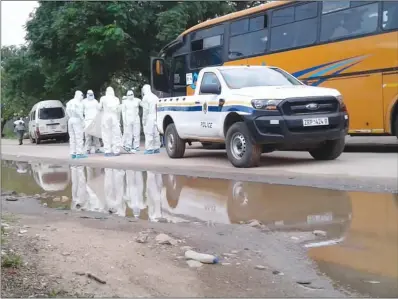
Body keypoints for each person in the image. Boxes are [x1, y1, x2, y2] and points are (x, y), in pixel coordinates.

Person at [98, 86, 122, 157]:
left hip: (106, 116)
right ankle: (116, 151)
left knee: (106, 134)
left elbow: (99, 108)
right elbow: (118, 111)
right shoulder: (116, 99)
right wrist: (118, 120)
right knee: (116, 134)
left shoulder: (103, 98)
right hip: (114, 117)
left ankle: (107, 150)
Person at [65, 90, 87, 159]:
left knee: (72, 137)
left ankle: (73, 153)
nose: (82, 97)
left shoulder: (70, 102)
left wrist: (70, 117)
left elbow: (67, 111)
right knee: (79, 136)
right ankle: (79, 153)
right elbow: (79, 113)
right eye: (81, 95)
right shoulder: (78, 103)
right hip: (77, 120)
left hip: (70, 120)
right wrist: (83, 120)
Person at [141, 84, 160, 154]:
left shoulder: (145, 98)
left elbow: (145, 110)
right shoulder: (155, 97)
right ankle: (156, 147)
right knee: (156, 133)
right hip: (156, 116)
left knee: (149, 133)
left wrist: (144, 120)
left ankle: (149, 148)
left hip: (149, 116)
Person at [82, 90, 102, 154]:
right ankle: (88, 149)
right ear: (87, 94)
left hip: (95, 120)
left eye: (92, 94)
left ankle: (97, 149)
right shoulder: (84, 102)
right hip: (87, 120)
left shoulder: (95, 101)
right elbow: (81, 111)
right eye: (89, 94)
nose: (91, 96)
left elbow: (99, 110)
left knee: (96, 136)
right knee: (88, 136)